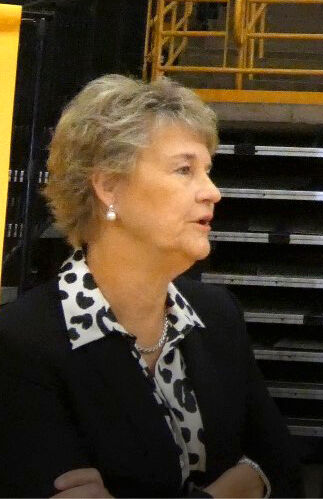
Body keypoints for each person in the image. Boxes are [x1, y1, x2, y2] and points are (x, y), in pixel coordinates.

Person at [0, 75, 305, 497]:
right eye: (185, 169)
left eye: (207, 171)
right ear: (109, 186)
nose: (213, 192)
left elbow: (283, 467)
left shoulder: (217, 315)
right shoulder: (22, 341)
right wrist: (238, 487)